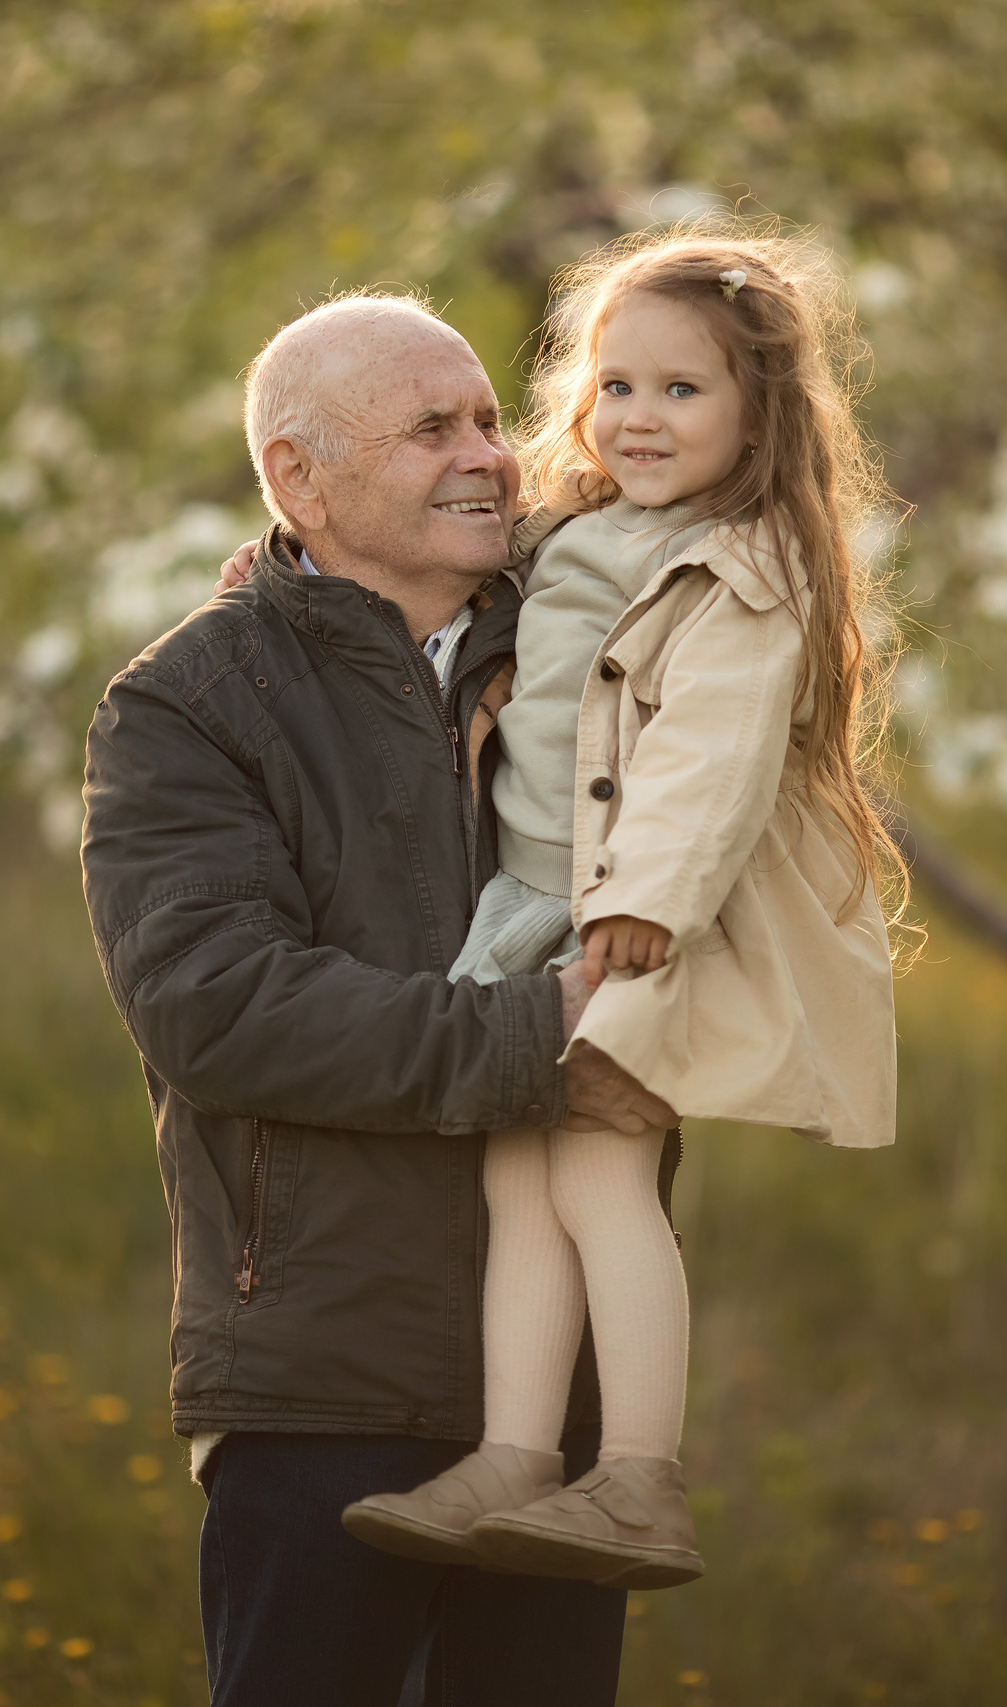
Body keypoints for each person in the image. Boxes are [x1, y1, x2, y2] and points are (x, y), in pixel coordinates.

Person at [78, 292, 677, 1707]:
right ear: (300, 478)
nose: (488, 454)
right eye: (431, 429)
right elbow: (223, 1008)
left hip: (563, 1395)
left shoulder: (595, 652)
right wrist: (539, 1040)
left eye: (487, 419)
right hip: (323, 1386)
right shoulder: (191, 702)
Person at [324, 231, 903, 1589]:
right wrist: (289, 575)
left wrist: (645, 903)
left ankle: (639, 1475)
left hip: (631, 919)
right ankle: (516, 1456)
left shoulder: (747, 570)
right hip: (528, 905)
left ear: (763, 411)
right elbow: (438, 565)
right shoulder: (579, 531)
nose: (639, 418)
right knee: (519, 1180)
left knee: (598, 1173)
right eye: (617, 386)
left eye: (683, 392)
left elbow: (710, 753)